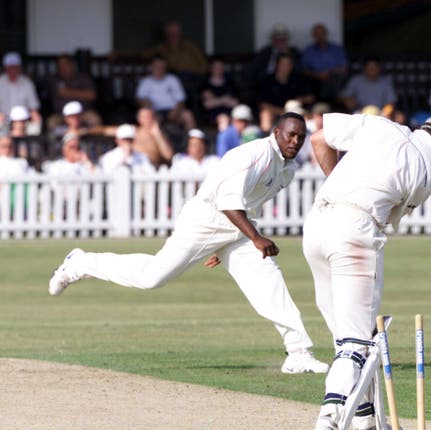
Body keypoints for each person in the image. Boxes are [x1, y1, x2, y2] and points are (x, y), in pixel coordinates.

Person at [48, 112, 329, 375]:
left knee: (269, 281)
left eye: (300, 138)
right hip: (206, 219)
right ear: (276, 132)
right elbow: (227, 202)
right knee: (153, 277)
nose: (295, 142)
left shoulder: (287, 168)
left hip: (235, 228)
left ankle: (298, 353)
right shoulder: (256, 155)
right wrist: (253, 238)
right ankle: (80, 263)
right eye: (290, 135)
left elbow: (248, 204)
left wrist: (228, 244)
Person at [302, 114, 431, 430]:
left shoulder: (380, 125)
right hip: (356, 231)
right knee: (357, 343)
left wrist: (341, 182)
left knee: (347, 338)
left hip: (316, 224)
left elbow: (318, 138)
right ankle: (329, 422)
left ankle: (369, 428)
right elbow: (390, 212)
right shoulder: (427, 174)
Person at [135, 56, 196, 131]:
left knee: (188, 115)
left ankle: (193, 140)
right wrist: (150, 108)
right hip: (155, 111)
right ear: (151, 67)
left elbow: (181, 99)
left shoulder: (173, 79)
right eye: (157, 66)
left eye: (162, 66)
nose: (160, 69)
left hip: (173, 110)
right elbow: (140, 99)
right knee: (149, 118)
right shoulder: (145, 82)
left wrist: (176, 110)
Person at [258, 53, 314, 133]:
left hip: (297, 111)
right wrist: (283, 112)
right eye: (283, 64)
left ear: (292, 66)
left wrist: (300, 100)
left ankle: (308, 138)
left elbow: (311, 97)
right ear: (277, 65)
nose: (286, 67)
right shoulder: (268, 80)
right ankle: (267, 138)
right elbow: (263, 104)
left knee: (311, 116)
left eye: (288, 64)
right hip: (277, 112)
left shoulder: (298, 79)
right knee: (265, 114)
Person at [46, 54, 101, 132]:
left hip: (83, 113)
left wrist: (69, 92)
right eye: (60, 66)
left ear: (72, 65)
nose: (63, 68)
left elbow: (92, 95)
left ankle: (90, 143)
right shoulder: (54, 80)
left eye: (65, 65)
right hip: (61, 115)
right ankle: (58, 144)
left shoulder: (83, 78)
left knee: (94, 119)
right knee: (52, 122)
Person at [300, 23, 348, 103]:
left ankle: (333, 104)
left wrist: (329, 73)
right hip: (314, 81)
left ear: (326, 34)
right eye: (317, 34)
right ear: (313, 35)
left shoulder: (336, 49)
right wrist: (316, 74)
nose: (319, 36)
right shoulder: (308, 50)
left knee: (337, 81)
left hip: (334, 80)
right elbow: (303, 69)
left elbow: (344, 67)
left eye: (321, 33)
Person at [0, 52, 41, 133]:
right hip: (4, 119)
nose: (12, 70)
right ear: (6, 68)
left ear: (19, 68)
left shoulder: (27, 83)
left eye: (15, 67)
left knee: (36, 123)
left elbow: (33, 107)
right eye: (10, 67)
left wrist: (36, 120)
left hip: (23, 120)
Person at [199, 57, 239, 126]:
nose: (218, 69)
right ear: (211, 68)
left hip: (231, 115)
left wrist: (216, 101)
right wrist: (224, 100)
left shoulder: (230, 83)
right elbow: (207, 104)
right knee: (224, 119)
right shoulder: (205, 84)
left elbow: (235, 103)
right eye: (216, 67)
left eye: (220, 66)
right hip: (212, 116)